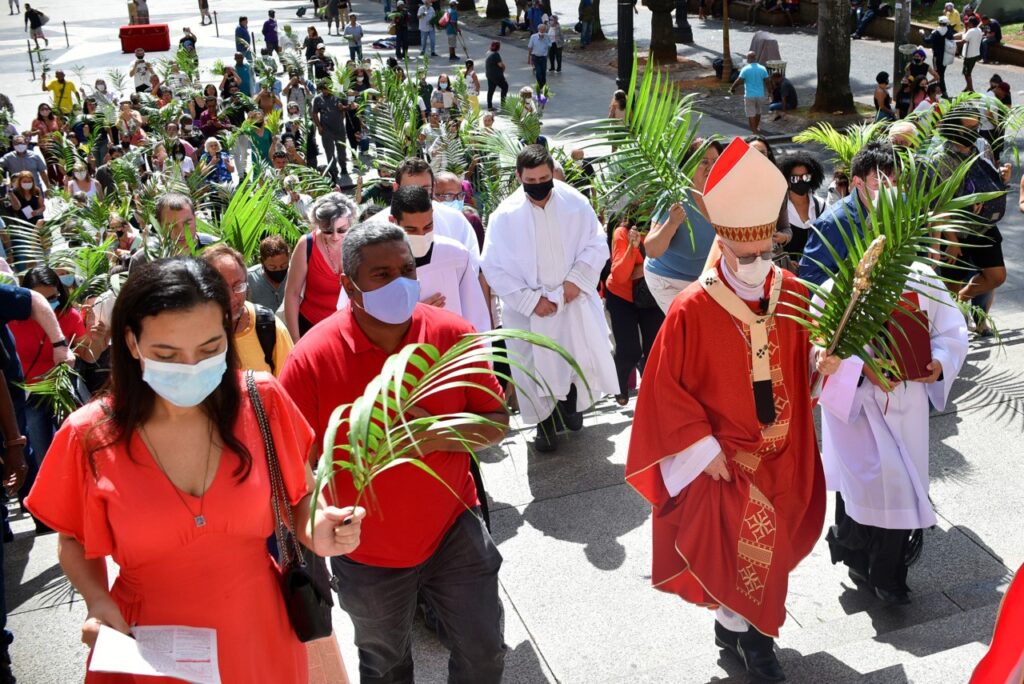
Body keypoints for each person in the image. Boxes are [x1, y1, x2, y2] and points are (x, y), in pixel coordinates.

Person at [24, 257, 364, 684]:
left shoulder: (263, 401)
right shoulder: (88, 435)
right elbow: (71, 538)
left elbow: (302, 499)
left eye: (209, 349)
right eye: (167, 354)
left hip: (259, 634)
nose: (190, 366)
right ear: (131, 343)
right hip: (146, 648)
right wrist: (96, 600)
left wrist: (322, 528)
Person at [625, 137, 841, 683]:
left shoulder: (790, 290)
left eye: (763, 252)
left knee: (772, 551)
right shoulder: (692, 308)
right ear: (722, 239)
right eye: (744, 255)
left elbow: (800, 361)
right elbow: (664, 390)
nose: (754, 263)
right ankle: (758, 643)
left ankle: (736, 630)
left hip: (784, 451)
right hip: (727, 458)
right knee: (738, 553)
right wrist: (700, 450)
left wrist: (821, 362)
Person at [280, 221, 508, 684]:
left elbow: (496, 422)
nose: (401, 283)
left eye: (407, 269)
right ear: (349, 285)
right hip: (367, 553)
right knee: (385, 666)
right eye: (381, 274)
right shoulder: (312, 357)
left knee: (485, 651)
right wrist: (318, 520)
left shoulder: (451, 333)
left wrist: (434, 434)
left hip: (454, 530)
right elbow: (289, 462)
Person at [820, 262, 967, 605]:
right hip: (856, 406)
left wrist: (940, 362)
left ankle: (890, 576)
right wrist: (864, 369)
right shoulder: (844, 279)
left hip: (906, 399)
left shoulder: (920, 276)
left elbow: (950, 331)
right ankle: (854, 555)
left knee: (901, 485)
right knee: (862, 486)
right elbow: (822, 346)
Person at [481, 145, 618, 452]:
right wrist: (531, 301)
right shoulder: (504, 216)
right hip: (529, 312)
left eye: (545, 177)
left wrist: (576, 281)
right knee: (535, 368)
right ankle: (544, 426)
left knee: (573, 359)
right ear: (519, 177)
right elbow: (493, 266)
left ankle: (571, 406)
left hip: (572, 303)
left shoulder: (575, 202)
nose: (539, 185)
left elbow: (596, 244)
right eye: (531, 180)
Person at [381, 185, 490, 333]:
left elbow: (476, 315)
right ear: (393, 221)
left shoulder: (456, 255)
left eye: (428, 227)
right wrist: (416, 315)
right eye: (411, 230)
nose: (421, 236)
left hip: (455, 348)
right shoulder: (376, 263)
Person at [799, 140, 897, 286]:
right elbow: (810, 278)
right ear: (858, 182)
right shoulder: (832, 223)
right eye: (880, 183)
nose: (888, 190)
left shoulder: (901, 207)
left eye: (895, 182)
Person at [642, 140, 722, 311]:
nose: (711, 167)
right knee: (690, 331)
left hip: (705, 278)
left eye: (716, 161)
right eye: (704, 162)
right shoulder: (675, 197)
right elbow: (652, 250)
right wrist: (672, 223)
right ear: (689, 166)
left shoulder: (725, 194)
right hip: (667, 281)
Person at [204, 245, 293, 377]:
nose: (232, 297)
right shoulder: (193, 330)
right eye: (221, 288)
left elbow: (289, 386)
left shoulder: (270, 328)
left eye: (238, 286)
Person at [605, 218, 665, 405]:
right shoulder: (623, 232)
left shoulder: (665, 227)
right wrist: (632, 248)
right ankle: (619, 385)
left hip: (650, 294)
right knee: (629, 349)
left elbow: (669, 263)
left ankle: (652, 394)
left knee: (654, 348)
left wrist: (641, 268)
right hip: (621, 296)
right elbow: (621, 275)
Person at [284, 193, 358, 339]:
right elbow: (292, 293)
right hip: (312, 327)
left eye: (342, 230)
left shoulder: (360, 243)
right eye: (328, 231)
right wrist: (295, 340)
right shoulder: (307, 244)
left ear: (351, 223)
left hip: (350, 327)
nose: (335, 236)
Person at [129, 193, 218, 272]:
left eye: (187, 223)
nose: (181, 231)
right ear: (159, 225)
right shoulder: (143, 260)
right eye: (172, 225)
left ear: (195, 219)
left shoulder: (216, 248)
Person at [777, 151, 825, 264]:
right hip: (789, 273)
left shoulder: (821, 206)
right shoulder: (778, 209)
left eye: (806, 177)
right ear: (786, 180)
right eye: (795, 178)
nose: (801, 181)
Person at [311, 81, 349, 183]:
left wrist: (343, 107)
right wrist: (319, 126)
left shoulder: (339, 96)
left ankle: (344, 167)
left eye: (326, 89)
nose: (324, 91)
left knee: (341, 150)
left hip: (339, 128)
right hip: (326, 130)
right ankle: (333, 171)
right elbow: (314, 113)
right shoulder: (318, 99)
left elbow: (348, 107)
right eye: (322, 89)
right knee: (329, 152)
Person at [247, 235, 290, 314]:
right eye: (272, 267)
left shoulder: (296, 274)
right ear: (262, 262)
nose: (278, 270)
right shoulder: (249, 278)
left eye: (283, 266)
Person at [730, 53, 770, 135]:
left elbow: (739, 80)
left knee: (751, 114)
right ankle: (757, 127)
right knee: (758, 112)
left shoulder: (746, 69)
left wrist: (732, 88)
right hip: (760, 94)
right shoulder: (762, 68)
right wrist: (770, 92)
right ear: (756, 58)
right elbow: (767, 81)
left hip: (749, 95)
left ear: (748, 59)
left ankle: (754, 131)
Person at [923, 15, 956, 97]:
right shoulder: (949, 32)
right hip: (946, 56)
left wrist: (922, 34)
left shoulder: (935, 32)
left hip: (937, 56)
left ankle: (942, 92)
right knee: (941, 73)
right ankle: (939, 90)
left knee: (938, 74)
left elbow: (927, 41)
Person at [960, 16, 983, 92]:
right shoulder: (979, 29)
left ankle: (971, 90)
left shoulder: (971, 31)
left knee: (967, 73)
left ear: (971, 23)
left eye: (969, 22)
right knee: (968, 72)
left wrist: (964, 32)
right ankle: (968, 87)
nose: (967, 23)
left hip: (969, 55)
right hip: (975, 54)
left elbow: (964, 40)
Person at [485, 42, 509, 111]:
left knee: (491, 90)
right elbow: (500, 65)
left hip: (489, 74)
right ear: (498, 47)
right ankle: (503, 105)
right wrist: (504, 67)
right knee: (505, 87)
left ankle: (489, 106)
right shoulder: (496, 55)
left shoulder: (488, 53)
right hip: (497, 75)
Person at [527, 23, 552, 89]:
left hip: (543, 57)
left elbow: (550, 45)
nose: (542, 31)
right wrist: (529, 58)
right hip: (535, 57)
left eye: (544, 30)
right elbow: (530, 47)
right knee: (538, 72)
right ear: (538, 29)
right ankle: (540, 86)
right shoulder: (533, 37)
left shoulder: (547, 36)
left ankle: (544, 85)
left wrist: (547, 54)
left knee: (543, 72)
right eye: (541, 29)